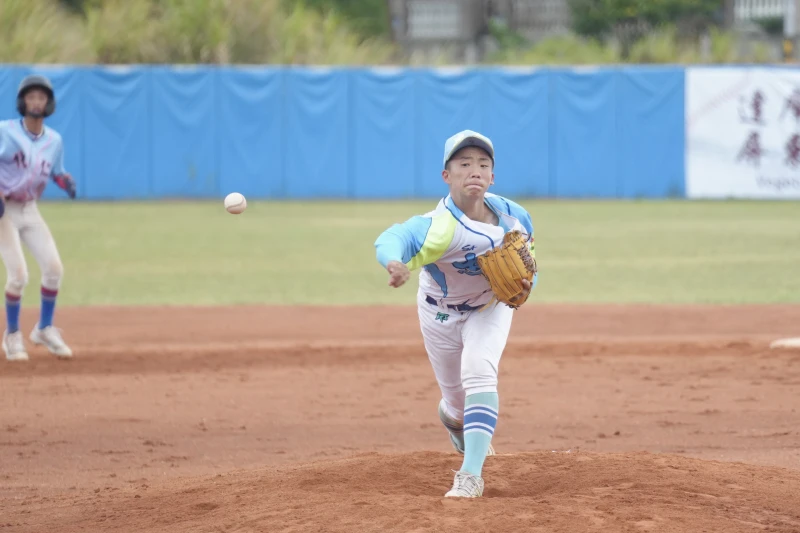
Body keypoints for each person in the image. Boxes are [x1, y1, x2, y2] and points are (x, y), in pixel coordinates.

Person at [373, 130, 537, 498]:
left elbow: (530, 264)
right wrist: (395, 262)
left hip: (490, 307)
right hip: (438, 314)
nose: (474, 170)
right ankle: (457, 424)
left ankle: (470, 475)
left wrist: (529, 286)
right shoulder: (438, 227)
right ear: (447, 176)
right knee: (457, 406)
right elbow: (392, 237)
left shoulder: (515, 218)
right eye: (463, 164)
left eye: (483, 164)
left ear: (493, 176)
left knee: (480, 371)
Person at [0, 74, 77, 362]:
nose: (36, 101)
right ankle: (11, 336)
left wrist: (65, 181)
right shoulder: (6, 132)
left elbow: (55, 171)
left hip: (29, 209)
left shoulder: (54, 140)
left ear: (48, 103)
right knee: (18, 276)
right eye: (31, 96)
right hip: (4, 209)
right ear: (22, 101)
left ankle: (44, 328)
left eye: (41, 97)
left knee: (54, 268)